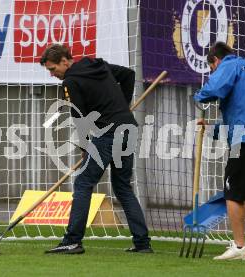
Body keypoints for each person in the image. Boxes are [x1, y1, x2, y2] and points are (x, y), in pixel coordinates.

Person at [40, 44, 152, 254]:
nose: (52, 74)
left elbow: (79, 117)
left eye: (53, 69)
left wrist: (84, 147)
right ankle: (142, 243)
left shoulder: (70, 81)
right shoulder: (96, 64)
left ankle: (72, 241)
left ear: (65, 61)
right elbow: (128, 74)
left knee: (83, 183)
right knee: (122, 187)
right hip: (128, 128)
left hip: (108, 133)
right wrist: (124, 104)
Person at [194, 42, 245, 260]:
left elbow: (213, 89)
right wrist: (211, 129)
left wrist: (198, 96)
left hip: (244, 139)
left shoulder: (229, 65)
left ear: (216, 61)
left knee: (234, 193)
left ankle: (238, 246)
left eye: (212, 70)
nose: (213, 73)